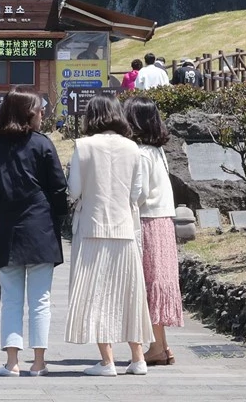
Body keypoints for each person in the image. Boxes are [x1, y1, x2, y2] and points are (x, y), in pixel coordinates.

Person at [0, 89, 68, 377]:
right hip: (41, 229)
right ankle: (39, 362)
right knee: (40, 300)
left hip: (6, 230)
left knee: (11, 298)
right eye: (39, 109)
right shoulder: (42, 144)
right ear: (28, 112)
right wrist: (57, 218)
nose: (43, 114)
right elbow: (58, 188)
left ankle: (12, 362)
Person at [65, 95, 153, 376]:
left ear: (92, 117)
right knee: (130, 294)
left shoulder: (83, 146)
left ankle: (107, 361)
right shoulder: (133, 148)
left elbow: (73, 191)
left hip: (91, 228)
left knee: (96, 294)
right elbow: (136, 195)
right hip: (124, 228)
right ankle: (138, 358)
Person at [124, 96, 183, 365]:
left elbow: (138, 193)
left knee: (149, 284)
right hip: (164, 221)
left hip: (147, 221)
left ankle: (156, 347)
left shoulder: (141, 153)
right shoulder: (158, 151)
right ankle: (163, 346)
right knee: (158, 282)